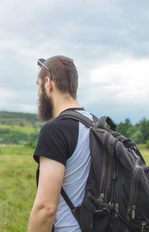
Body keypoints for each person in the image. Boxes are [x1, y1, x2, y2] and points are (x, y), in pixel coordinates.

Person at [28, 55, 93, 232]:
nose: (38, 92)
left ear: (48, 83)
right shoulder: (95, 125)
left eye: (38, 85)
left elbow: (46, 209)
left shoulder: (55, 131)